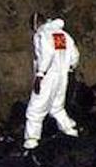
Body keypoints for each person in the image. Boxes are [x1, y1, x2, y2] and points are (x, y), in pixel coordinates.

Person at [25, 15, 80, 149]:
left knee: (35, 110)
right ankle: (70, 129)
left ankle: (31, 141)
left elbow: (47, 54)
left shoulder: (42, 34)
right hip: (62, 76)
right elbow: (75, 55)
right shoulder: (62, 34)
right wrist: (70, 67)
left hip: (48, 76)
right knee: (56, 107)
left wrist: (40, 75)